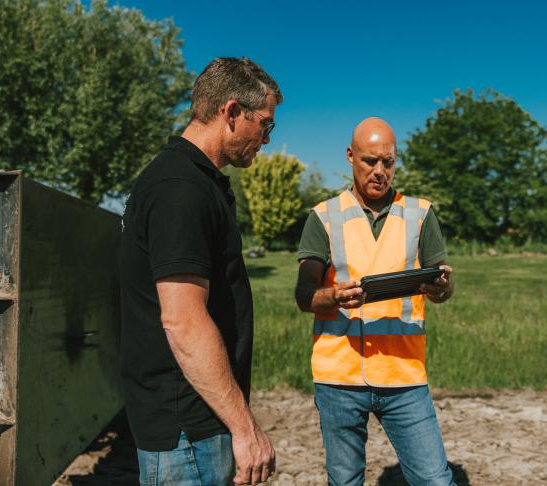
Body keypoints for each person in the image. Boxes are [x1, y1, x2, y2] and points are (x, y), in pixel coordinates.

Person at [120, 57, 281, 486]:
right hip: (186, 433)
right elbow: (183, 320)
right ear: (231, 112)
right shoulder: (180, 189)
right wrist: (245, 428)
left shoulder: (195, 181)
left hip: (196, 423)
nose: (266, 139)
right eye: (264, 125)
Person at [294, 117, 456, 485]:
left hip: (404, 375)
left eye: (388, 161)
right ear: (351, 157)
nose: (380, 171)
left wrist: (442, 287)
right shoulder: (323, 217)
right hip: (339, 378)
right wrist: (332, 296)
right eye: (370, 161)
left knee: (434, 480)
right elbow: (304, 295)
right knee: (346, 480)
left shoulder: (420, 214)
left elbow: (441, 286)